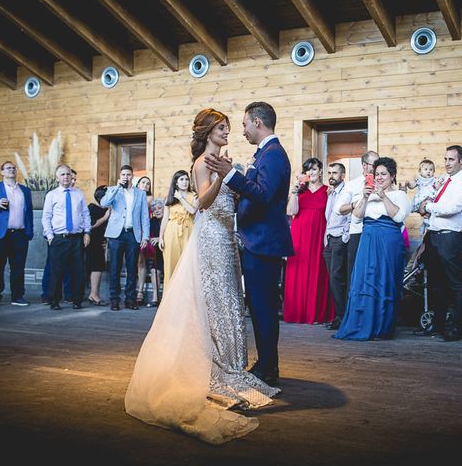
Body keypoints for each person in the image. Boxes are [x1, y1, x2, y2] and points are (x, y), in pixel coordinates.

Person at [125, 107, 279, 445]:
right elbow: (204, 203)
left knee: (231, 304)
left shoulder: (226, 162)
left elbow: (235, 199)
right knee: (218, 301)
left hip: (228, 237)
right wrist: (224, 178)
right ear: (208, 132)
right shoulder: (201, 165)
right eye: (222, 128)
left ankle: (234, 369)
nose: (227, 133)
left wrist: (237, 180)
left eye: (228, 128)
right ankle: (222, 371)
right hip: (210, 237)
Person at [205, 101, 294, 387]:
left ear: (257, 122)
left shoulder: (274, 154)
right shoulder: (267, 153)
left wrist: (231, 175)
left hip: (264, 242)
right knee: (258, 307)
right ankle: (267, 364)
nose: (241, 131)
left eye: (244, 125)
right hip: (257, 241)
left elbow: (264, 195)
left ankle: (268, 368)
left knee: (263, 308)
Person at [334, 157, 411, 341]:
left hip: (388, 241)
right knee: (364, 279)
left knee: (385, 280)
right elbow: (357, 217)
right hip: (367, 238)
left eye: (383, 174)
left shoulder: (400, 195)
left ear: (392, 176)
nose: (379, 178)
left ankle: (382, 327)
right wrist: (366, 197)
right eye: (376, 174)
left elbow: (399, 216)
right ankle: (361, 323)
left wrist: (383, 196)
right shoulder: (367, 195)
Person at [417, 145, 462, 342]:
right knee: (436, 284)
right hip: (433, 235)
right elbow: (434, 201)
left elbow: (453, 207)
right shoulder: (446, 181)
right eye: (445, 159)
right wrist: (427, 204)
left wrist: (429, 206)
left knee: (456, 284)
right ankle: (439, 324)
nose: (447, 163)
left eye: (451, 159)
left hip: (450, 237)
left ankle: (456, 327)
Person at [283, 157, 334, 324]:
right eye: (308, 170)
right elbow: (291, 212)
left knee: (318, 271)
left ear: (320, 171)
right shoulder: (299, 191)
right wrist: (295, 193)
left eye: (314, 169)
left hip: (320, 233)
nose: (311, 173)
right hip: (300, 235)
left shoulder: (328, 190)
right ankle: (298, 313)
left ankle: (317, 313)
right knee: (298, 270)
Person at [100, 165, 150, 311]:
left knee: (132, 268)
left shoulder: (140, 194)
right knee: (114, 268)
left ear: (132, 176)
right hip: (116, 235)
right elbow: (104, 203)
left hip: (132, 234)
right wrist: (116, 188)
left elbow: (144, 217)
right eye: (123, 174)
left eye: (128, 175)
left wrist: (145, 236)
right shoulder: (112, 190)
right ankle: (114, 300)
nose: (126, 177)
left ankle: (130, 299)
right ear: (120, 176)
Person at [41, 165, 91, 310]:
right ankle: (54, 301)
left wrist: (87, 232)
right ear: (57, 178)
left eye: (68, 174)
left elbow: (85, 214)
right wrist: (50, 236)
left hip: (77, 238)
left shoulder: (79, 194)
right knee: (57, 271)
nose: (66, 177)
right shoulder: (52, 195)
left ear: (72, 176)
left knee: (78, 271)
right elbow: (46, 217)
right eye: (62, 174)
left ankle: (76, 300)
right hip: (59, 239)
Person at [333, 150, 380, 300]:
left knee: (374, 274)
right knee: (355, 273)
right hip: (358, 233)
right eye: (375, 164)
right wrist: (357, 203)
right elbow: (338, 208)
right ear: (364, 166)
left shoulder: (383, 182)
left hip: (378, 233)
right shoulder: (352, 185)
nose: (378, 167)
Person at [0, 161, 33, 306]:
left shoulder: (25, 190)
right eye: (8, 168)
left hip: (20, 235)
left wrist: (29, 232)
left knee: (18, 267)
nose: (11, 170)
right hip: (0, 235)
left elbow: (28, 212)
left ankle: (17, 296)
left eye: (13, 168)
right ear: (2, 172)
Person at [322, 162, 350, 331]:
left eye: (335, 173)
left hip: (340, 239)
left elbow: (349, 216)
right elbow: (329, 217)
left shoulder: (346, 192)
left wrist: (345, 236)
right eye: (330, 172)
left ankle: (342, 316)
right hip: (329, 239)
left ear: (343, 175)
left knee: (337, 278)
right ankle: (339, 315)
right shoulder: (331, 194)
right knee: (333, 279)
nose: (331, 176)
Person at [159, 170, 198, 289]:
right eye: (181, 179)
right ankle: (169, 300)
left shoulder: (194, 196)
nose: (185, 182)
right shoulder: (169, 198)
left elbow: (192, 211)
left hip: (188, 231)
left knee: (188, 265)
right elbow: (165, 219)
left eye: (186, 179)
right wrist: (161, 237)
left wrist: (181, 198)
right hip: (171, 232)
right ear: (176, 182)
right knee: (171, 264)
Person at [86, 185, 110, 305]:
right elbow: (91, 224)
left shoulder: (108, 209)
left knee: (99, 267)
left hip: (101, 241)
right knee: (96, 267)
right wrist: (105, 217)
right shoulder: (92, 208)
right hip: (92, 241)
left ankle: (94, 294)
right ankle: (93, 294)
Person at [407, 159, 441, 236]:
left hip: (430, 199)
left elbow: (436, 187)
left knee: (430, 212)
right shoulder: (419, 180)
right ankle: (425, 223)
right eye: (425, 169)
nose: (428, 171)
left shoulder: (434, 179)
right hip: (421, 199)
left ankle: (425, 224)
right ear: (420, 171)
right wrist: (409, 184)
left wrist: (438, 184)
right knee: (424, 211)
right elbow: (412, 186)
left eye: (431, 169)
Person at [135, 176, 153, 305]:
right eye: (143, 182)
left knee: (141, 260)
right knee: (133, 261)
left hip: (144, 231)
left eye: (148, 184)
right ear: (138, 184)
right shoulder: (132, 195)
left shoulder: (148, 199)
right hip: (132, 230)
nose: (146, 185)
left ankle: (140, 290)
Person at [145, 199, 164, 307]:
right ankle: (155, 298)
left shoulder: (169, 219)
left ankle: (166, 297)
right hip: (158, 253)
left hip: (169, 250)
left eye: (159, 208)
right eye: (154, 209)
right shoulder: (152, 222)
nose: (157, 211)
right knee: (154, 271)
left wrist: (159, 238)